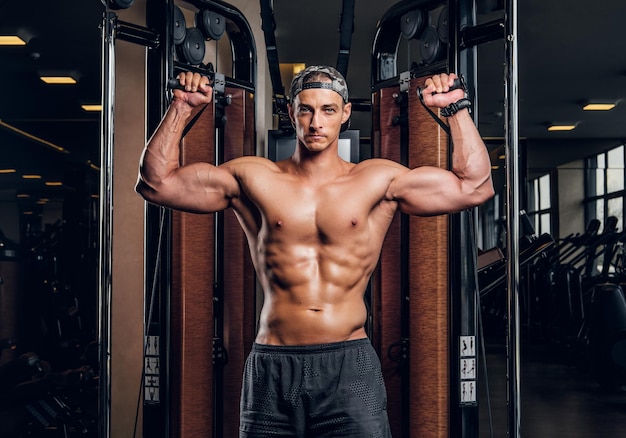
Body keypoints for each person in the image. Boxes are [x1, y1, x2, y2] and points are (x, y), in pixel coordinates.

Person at [136, 65, 494, 437]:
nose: (315, 122)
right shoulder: (253, 178)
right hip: (272, 365)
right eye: (305, 109)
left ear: (344, 113)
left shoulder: (377, 179)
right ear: (291, 112)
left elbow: (474, 188)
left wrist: (455, 108)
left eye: (327, 109)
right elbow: (155, 184)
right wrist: (180, 106)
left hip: (349, 365)